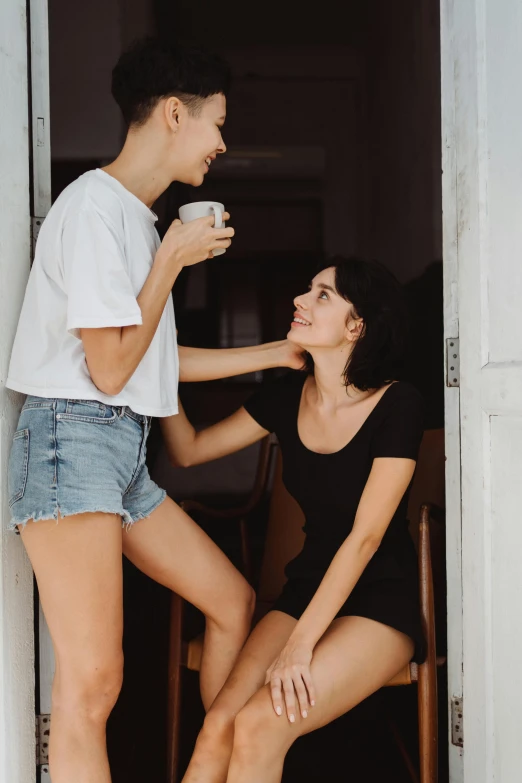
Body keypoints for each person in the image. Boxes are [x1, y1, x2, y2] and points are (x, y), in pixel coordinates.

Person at [6, 37, 302, 783]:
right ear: (175, 112)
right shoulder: (95, 210)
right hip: (71, 440)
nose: (223, 143)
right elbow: (107, 368)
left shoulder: (138, 220)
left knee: (232, 600)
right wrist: (173, 258)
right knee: (93, 684)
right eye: (217, 123)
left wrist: (274, 354)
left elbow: (150, 364)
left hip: (120, 450)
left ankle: (209, 770)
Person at [161, 256, 425, 783]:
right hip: (306, 589)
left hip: (379, 603)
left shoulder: (399, 404)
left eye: (323, 295)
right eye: (307, 290)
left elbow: (365, 538)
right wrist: (150, 378)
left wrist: (298, 647)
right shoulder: (285, 397)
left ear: (358, 326)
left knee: (260, 724)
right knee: (218, 724)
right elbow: (189, 451)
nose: (301, 300)